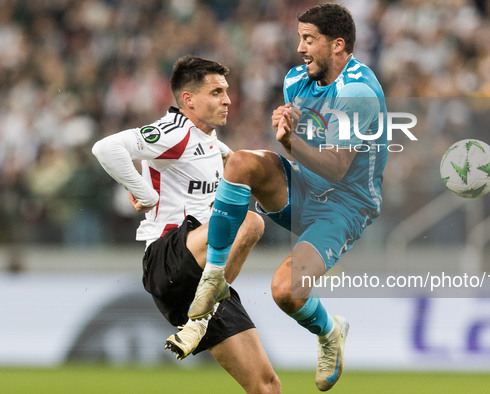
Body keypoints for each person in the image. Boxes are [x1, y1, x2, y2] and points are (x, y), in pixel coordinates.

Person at [189, 4, 387, 391]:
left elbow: (336, 167)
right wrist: (291, 126)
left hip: (345, 207)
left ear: (338, 45)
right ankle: (213, 274)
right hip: (302, 186)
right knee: (242, 163)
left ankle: (331, 332)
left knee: (286, 291)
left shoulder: (358, 93)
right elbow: (310, 134)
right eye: (300, 38)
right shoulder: (297, 79)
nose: (300, 48)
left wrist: (290, 140)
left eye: (309, 39)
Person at [92, 56, 281, 394]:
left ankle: (200, 319)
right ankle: (203, 313)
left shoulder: (210, 140)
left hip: (202, 271)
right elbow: (106, 148)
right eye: (216, 92)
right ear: (189, 99)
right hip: (169, 259)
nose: (227, 99)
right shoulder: (174, 131)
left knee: (266, 386)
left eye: (226, 91)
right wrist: (143, 193)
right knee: (249, 221)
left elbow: (229, 159)